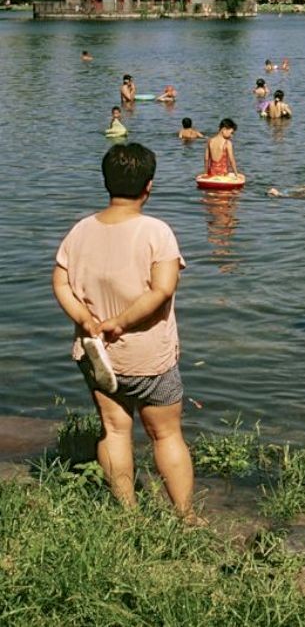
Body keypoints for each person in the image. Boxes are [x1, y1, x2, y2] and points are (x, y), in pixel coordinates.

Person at [52, 143, 197, 522]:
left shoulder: (80, 230)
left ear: (105, 182)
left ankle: (128, 514)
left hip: (97, 355)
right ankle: (184, 516)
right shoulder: (156, 232)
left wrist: (86, 319)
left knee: (114, 431)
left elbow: (61, 284)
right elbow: (162, 290)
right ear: (149, 186)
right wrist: (120, 323)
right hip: (149, 357)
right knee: (165, 435)